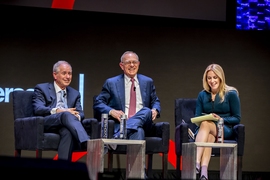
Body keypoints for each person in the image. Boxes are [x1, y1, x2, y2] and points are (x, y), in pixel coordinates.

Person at [93, 50, 161, 140]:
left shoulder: (148, 82)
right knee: (138, 131)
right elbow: (98, 103)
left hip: (144, 123)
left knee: (146, 111)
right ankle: (127, 130)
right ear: (122, 66)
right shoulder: (111, 83)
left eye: (134, 62)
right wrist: (112, 111)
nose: (132, 65)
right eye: (128, 62)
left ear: (138, 64)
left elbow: (155, 100)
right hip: (120, 123)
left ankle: (122, 132)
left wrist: (155, 110)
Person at [32, 60, 90, 161]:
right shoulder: (42, 88)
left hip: (66, 125)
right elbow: (38, 109)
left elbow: (81, 113)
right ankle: (86, 142)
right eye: (64, 73)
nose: (68, 77)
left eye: (70, 73)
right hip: (47, 122)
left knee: (68, 133)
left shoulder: (75, 93)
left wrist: (76, 116)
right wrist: (59, 111)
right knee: (66, 114)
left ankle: (62, 168)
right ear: (55, 75)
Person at [194, 63, 241, 180]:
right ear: (206, 79)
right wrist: (207, 118)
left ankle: (196, 161)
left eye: (215, 77)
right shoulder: (202, 95)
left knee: (206, 124)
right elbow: (197, 116)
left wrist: (221, 119)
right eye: (209, 78)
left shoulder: (231, 93)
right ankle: (204, 172)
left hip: (224, 128)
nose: (212, 81)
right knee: (208, 133)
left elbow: (237, 118)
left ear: (221, 78)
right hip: (205, 130)